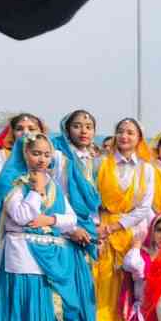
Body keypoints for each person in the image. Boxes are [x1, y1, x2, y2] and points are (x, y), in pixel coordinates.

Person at [0, 134, 103, 321]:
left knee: (45, 314)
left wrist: (49, 219)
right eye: (36, 153)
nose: (41, 160)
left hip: (49, 256)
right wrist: (36, 192)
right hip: (21, 259)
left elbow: (69, 218)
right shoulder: (13, 181)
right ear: (23, 154)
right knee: (26, 314)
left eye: (46, 154)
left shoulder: (52, 182)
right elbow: (20, 217)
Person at [92, 118, 155, 321]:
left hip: (129, 231)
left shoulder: (146, 169)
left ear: (139, 138)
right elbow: (90, 199)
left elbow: (144, 207)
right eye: (120, 132)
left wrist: (115, 227)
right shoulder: (100, 163)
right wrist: (98, 227)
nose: (124, 136)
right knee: (102, 283)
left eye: (130, 133)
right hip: (101, 229)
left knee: (125, 286)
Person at [52, 110, 101, 259]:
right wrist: (71, 229)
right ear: (66, 130)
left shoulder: (95, 160)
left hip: (88, 228)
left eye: (88, 127)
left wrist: (96, 224)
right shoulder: (59, 157)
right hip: (64, 228)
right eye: (77, 126)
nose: (83, 131)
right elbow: (54, 194)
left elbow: (93, 199)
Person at [0, 114, 45, 245]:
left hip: (44, 224)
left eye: (31, 129)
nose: (25, 133)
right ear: (12, 133)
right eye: (19, 128)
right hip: (9, 224)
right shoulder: (1, 157)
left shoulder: (48, 159)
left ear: (41, 133)